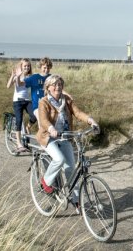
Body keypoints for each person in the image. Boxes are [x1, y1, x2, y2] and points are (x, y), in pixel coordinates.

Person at [36, 74, 99, 212]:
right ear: (48, 88)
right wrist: (51, 128)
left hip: (65, 137)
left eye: (60, 84)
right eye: (55, 85)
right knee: (59, 159)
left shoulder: (67, 100)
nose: (58, 87)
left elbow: (78, 112)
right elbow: (43, 120)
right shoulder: (44, 102)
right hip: (49, 137)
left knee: (71, 168)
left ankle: (76, 200)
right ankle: (46, 182)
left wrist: (91, 121)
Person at [6, 58, 35, 152]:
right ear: (21, 67)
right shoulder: (17, 75)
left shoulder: (31, 76)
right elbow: (10, 86)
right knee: (19, 120)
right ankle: (19, 144)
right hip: (17, 101)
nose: (27, 67)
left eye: (28, 66)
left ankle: (27, 127)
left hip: (27, 101)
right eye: (25, 66)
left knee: (34, 116)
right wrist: (14, 76)